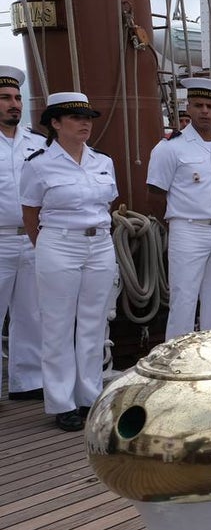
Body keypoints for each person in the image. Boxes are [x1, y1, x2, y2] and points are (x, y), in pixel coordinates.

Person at [19, 93, 117, 431]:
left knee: (93, 323)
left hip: (100, 245)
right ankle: (62, 403)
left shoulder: (102, 161)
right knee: (58, 325)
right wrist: (46, 246)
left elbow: (108, 206)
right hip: (59, 244)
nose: (85, 123)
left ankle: (90, 396)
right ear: (55, 124)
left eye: (88, 117)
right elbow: (30, 212)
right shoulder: (38, 163)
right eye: (75, 117)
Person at [146, 77, 211, 340]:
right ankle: (178, 366)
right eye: (198, 105)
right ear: (188, 108)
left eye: (210, 106)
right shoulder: (170, 149)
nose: (205, 111)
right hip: (187, 230)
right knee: (184, 301)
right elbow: (154, 195)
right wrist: (177, 225)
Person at [0, 66, 44, 402]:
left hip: (31, 238)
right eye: (5, 98)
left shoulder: (38, 144)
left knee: (30, 312)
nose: (14, 104)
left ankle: (27, 381)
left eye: (16, 98)